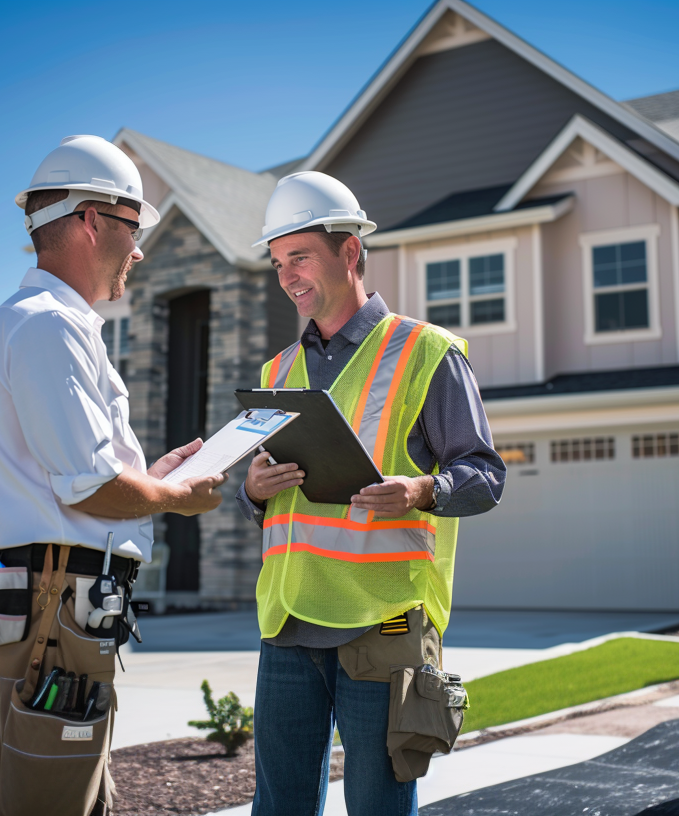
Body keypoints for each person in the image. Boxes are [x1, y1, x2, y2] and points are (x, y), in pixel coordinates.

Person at [0, 134, 225, 815]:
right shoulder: (48, 328)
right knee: (49, 792)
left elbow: (89, 474)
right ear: (89, 220)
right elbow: (87, 487)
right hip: (60, 603)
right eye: (133, 228)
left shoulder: (45, 325)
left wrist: (149, 476)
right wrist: (176, 496)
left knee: (42, 779)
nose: (139, 251)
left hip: (55, 600)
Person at [238, 171, 506, 815]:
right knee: (277, 807)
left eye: (299, 256)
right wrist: (252, 489)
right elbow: (271, 501)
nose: (288, 276)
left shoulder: (427, 353)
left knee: (378, 804)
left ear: (350, 251)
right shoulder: (277, 372)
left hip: (383, 622)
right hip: (290, 620)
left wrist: (422, 488)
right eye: (278, 263)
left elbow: (485, 476)